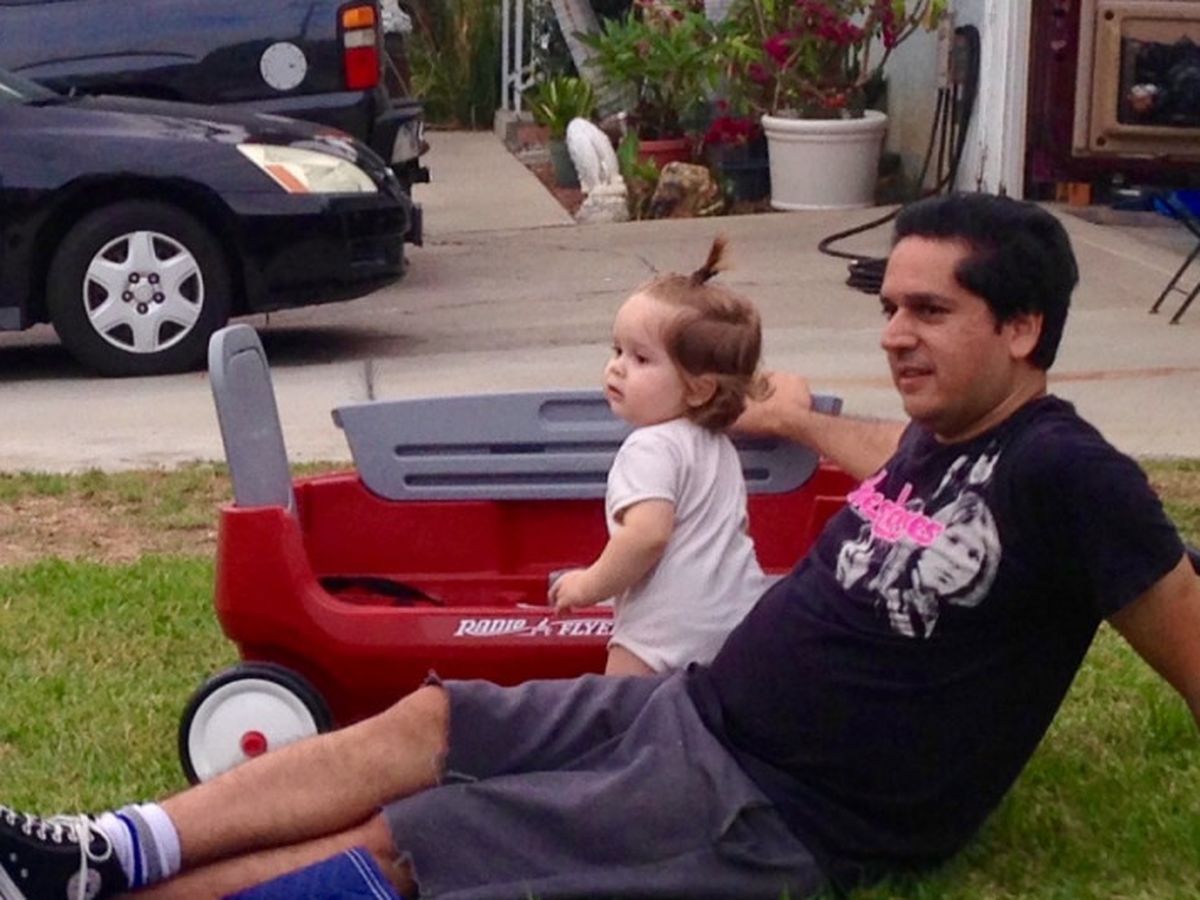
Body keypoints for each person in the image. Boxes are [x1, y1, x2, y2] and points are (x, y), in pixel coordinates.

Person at [2, 193, 1199, 900]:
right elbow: (890, 451)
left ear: (1024, 326)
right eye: (888, 305)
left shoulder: (1073, 477)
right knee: (433, 720)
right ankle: (108, 850)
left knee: (421, 841)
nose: (894, 334)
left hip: (770, 804)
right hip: (688, 710)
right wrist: (796, 421)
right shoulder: (949, 434)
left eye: (929, 311)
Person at [549, 236, 772, 674]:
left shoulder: (648, 447)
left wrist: (588, 585)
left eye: (641, 358)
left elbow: (647, 536)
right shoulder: (715, 445)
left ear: (699, 389)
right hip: (738, 621)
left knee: (619, 710)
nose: (618, 366)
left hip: (663, 633)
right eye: (617, 350)